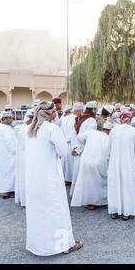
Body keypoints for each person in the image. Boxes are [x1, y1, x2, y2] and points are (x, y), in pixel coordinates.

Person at [24, 101, 82, 256]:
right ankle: (64, 246)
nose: (56, 113)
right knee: (57, 210)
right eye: (54, 111)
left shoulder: (30, 129)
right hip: (49, 178)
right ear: (49, 114)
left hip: (33, 179)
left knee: (39, 212)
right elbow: (63, 151)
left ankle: (39, 245)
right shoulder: (51, 128)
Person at [107, 112, 135, 220]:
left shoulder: (114, 131)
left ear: (121, 120)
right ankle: (127, 213)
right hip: (129, 164)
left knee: (115, 187)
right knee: (129, 188)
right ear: (130, 120)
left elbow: (108, 149)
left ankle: (114, 211)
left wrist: (110, 161)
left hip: (115, 164)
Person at [71, 122, 111, 210]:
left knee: (88, 183)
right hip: (100, 162)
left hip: (86, 160)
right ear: (109, 131)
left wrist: (85, 144)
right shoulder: (108, 138)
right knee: (100, 183)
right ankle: (102, 202)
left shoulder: (91, 132)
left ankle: (90, 203)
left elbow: (79, 137)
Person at [70, 101, 97, 196]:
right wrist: (78, 150)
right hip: (84, 150)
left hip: (77, 148)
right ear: (93, 109)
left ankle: (77, 194)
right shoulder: (91, 121)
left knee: (77, 172)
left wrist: (74, 147)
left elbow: (73, 135)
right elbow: (87, 138)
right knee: (84, 174)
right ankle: (82, 196)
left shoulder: (80, 119)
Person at [0, 111, 17, 199]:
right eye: (10, 118)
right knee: (9, 173)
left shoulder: (2, 127)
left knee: (5, 173)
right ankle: (7, 192)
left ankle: (5, 191)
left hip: (5, 155)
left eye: (12, 118)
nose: (11, 120)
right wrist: (15, 151)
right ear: (4, 119)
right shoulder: (5, 128)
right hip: (9, 155)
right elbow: (9, 143)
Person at [14, 109, 34, 207]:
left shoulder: (22, 127)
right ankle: (27, 201)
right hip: (26, 156)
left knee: (22, 178)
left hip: (22, 156)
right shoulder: (28, 128)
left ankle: (24, 200)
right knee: (27, 178)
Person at [60, 104, 79, 186]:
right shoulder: (74, 118)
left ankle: (65, 179)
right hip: (71, 143)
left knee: (65, 162)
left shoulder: (64, 119)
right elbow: (74, 132)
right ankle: (70, 179)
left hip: (65, 142)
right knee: (70, 163)